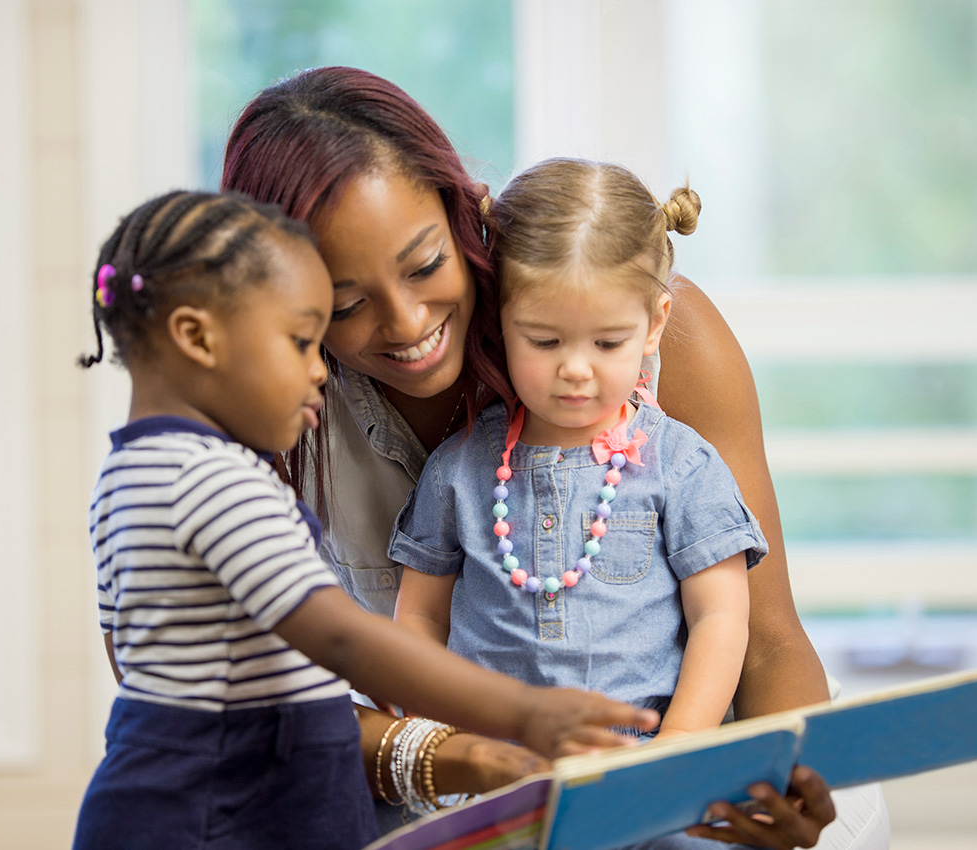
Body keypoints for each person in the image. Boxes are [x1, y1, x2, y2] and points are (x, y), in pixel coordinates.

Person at [221, 66, 890, 849]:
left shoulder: (653, 342)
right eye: (345, 303)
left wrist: (772, 780)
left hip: (706, 764)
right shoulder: (273, 412)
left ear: (467, 214)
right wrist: (460, 758)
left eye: (425, 265)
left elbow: (765, 636)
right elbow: (233, 696)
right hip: (462, 774)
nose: (405, 323)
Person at [70, 189, 660, 850]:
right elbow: (343, 640)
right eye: (299, 341)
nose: (318, 369)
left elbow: (133, 658)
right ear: (196, 336)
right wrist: (522, 712)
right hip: (225, 814)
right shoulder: (214, 480)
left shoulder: (129, 476)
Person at [392, 159, 764, 755]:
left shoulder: (682, 466)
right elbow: (418, 620)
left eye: (608, 342)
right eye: (543, 340)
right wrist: (447, 744)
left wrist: (681, 747)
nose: (575, 367)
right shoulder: (459, 469)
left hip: (639, 764)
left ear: (653, 325)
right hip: (492, 768)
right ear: (499, 321)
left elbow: (720, 619)